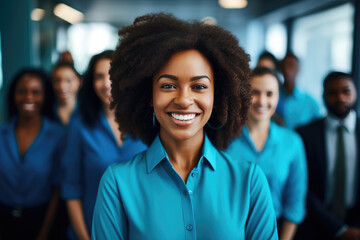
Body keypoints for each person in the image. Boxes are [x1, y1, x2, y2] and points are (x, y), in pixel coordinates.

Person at [91, 13, 278, 240]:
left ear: (215, 96)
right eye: (168, 85)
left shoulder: (249, 181)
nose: (183, 99)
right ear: (149, 94)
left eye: (199, 86)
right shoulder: (117, 184)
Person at [61, 50, 147, 240]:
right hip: (92, 231)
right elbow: (72, 189)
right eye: (99, 77)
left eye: (113, 76)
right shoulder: (80, 125)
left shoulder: (145, 123)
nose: (107, 83)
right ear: (91, 82)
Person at [226, 67, 307, 240]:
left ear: (278, 97)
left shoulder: (292, 143)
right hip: (230, 230)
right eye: (255, 92)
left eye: (270, 94)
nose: (262, 101)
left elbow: (295, 204)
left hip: (278, 230)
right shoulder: (225, 140)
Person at [0, 68, 64, 239]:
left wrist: (44, 234)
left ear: (45, 96)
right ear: (13, 95)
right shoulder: (1, 134)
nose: (29, 97)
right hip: (4, 222)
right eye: (22, 91)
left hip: (41, 221)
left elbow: (57, 190)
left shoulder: (58, 136)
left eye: (36, 92)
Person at [296, 72, 360, 240]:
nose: (340, 98)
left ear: (355, 92)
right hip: (315, 225)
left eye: (346, 91)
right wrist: (338, 228)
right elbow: (303, 186)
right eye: (332, 93)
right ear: (323, 96)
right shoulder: (305, 134)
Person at [277, 52, 321, 129]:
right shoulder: (273, 97)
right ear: (280, 69)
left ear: (298, 69)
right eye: (284, 66)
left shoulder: (311, 103)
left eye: (291, 66)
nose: (287, 70)